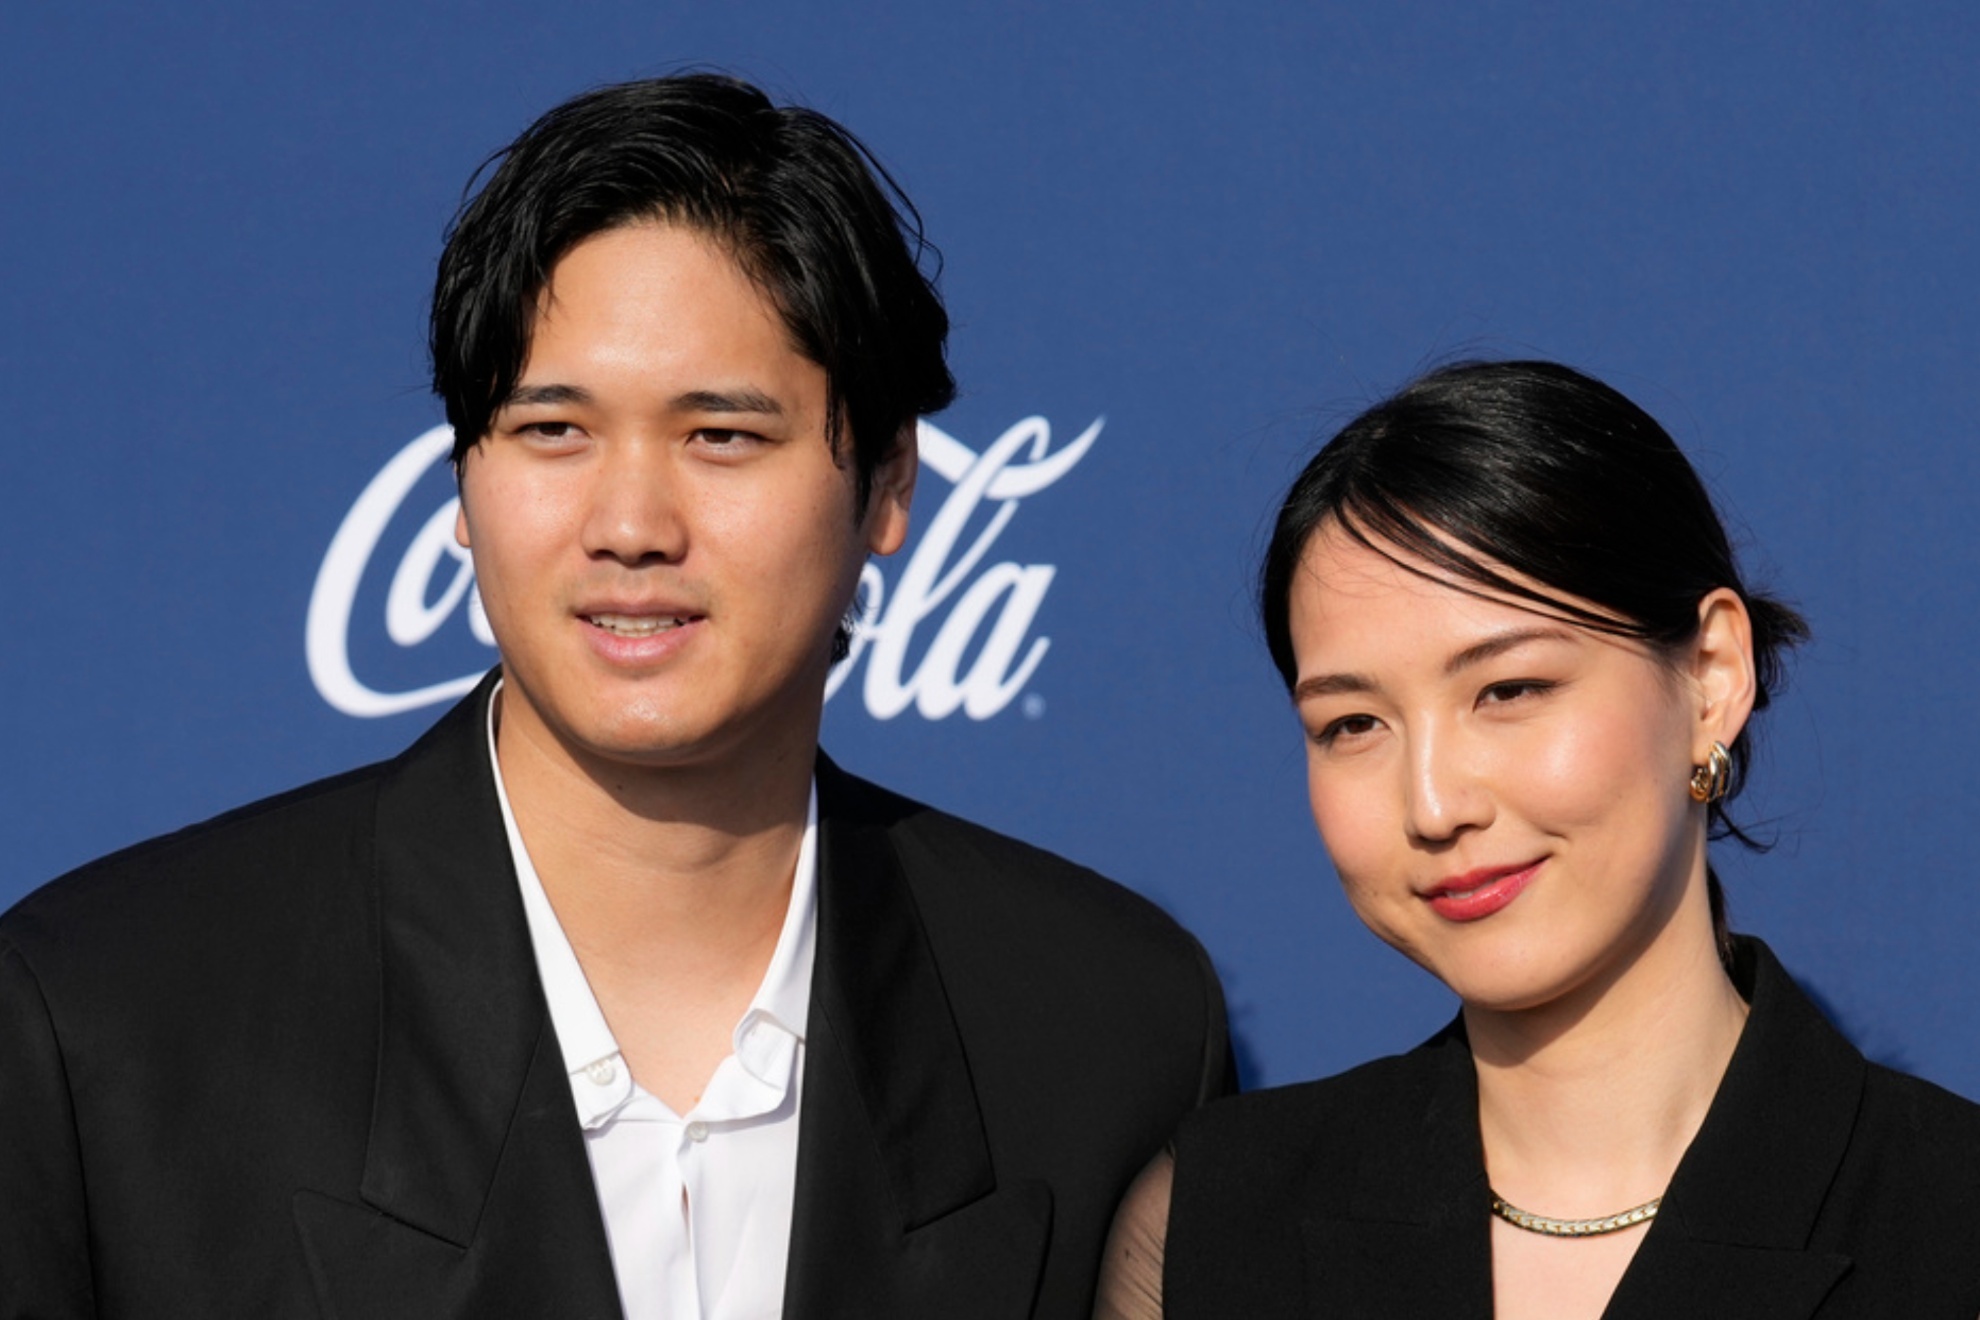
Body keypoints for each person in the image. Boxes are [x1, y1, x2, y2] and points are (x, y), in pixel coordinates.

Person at [0, 74, 1230, 1320]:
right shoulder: (108, 1024)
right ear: (465, 480)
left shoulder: (1107, 1027)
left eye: (723, 437)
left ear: (890, 480)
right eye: (553, 432)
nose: (631, 527)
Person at [1094, 360, 1980, 1318]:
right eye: (1353, 725)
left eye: (1509, 691)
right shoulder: (1218, 1219)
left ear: (1713, 676)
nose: (1433, 806)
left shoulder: (1948, 1221)